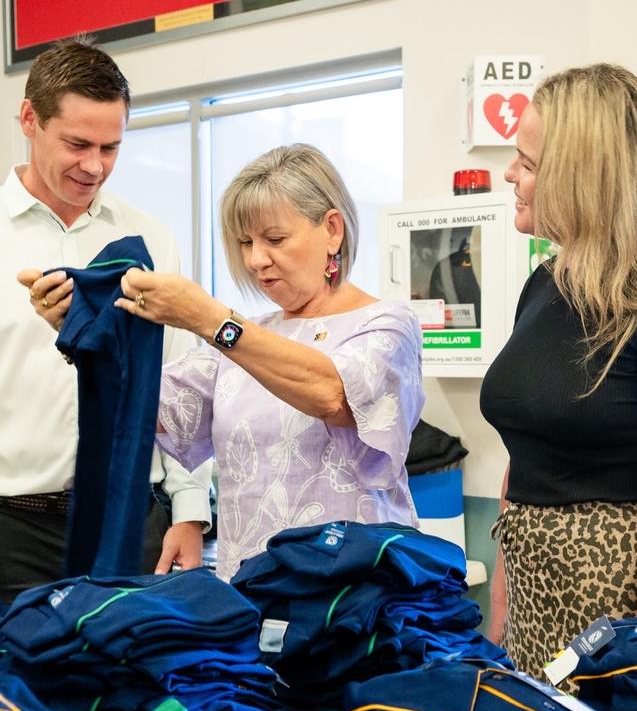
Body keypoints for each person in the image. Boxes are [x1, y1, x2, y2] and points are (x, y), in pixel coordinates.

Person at [110, 143, 425, 581]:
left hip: (351, 597)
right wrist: (92, 330)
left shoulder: (387, 324)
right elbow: (146, 408)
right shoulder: (244, 340)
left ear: (332, 229)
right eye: (245, 242)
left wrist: (212, 320)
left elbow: (334, 394)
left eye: (274, 239)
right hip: (251, 589)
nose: (256, 260)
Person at [5, 37, 211, 605]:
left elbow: (177, 383)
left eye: (111, 147)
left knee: (132, 689)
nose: (94, 166)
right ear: (29, 118)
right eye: (77, 143)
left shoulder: (151, 240)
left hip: (132, 519)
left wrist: (191, 512)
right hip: (11, 530)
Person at [480, 62, 637, 679]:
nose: (511, 174)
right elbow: (524, 447)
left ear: (583, 177)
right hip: (530, 589)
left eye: (528, 163)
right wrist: (499, 604)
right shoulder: (544, 284)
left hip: (612, 601)